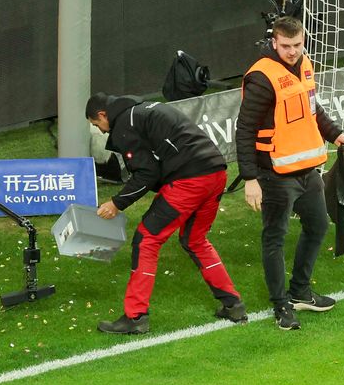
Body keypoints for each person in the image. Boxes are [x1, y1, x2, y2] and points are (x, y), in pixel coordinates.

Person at [85, 93, 244, 335]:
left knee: (146, 239)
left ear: (103, 114)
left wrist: (117, 203)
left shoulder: (125, 123)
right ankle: (233, 305)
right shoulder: (144, 110)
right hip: (216, 172)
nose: (103, 131)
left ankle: (135, 316)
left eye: (98, 125)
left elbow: (146, 173)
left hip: (190, 179)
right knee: (195, 240)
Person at [236, 16, 344, 330]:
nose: (292, 51)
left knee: (318, 225)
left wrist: (336, 134)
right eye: (286, 46)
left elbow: (312, 110)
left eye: (297, 45)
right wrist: (250, 178)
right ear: (274, 42)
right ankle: (281, 306)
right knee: (274, 238)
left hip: (307, 171)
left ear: (303, 41)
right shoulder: (262, 77)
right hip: (274, 174)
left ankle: (300, 291)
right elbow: (245, 129)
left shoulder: (305, 64)